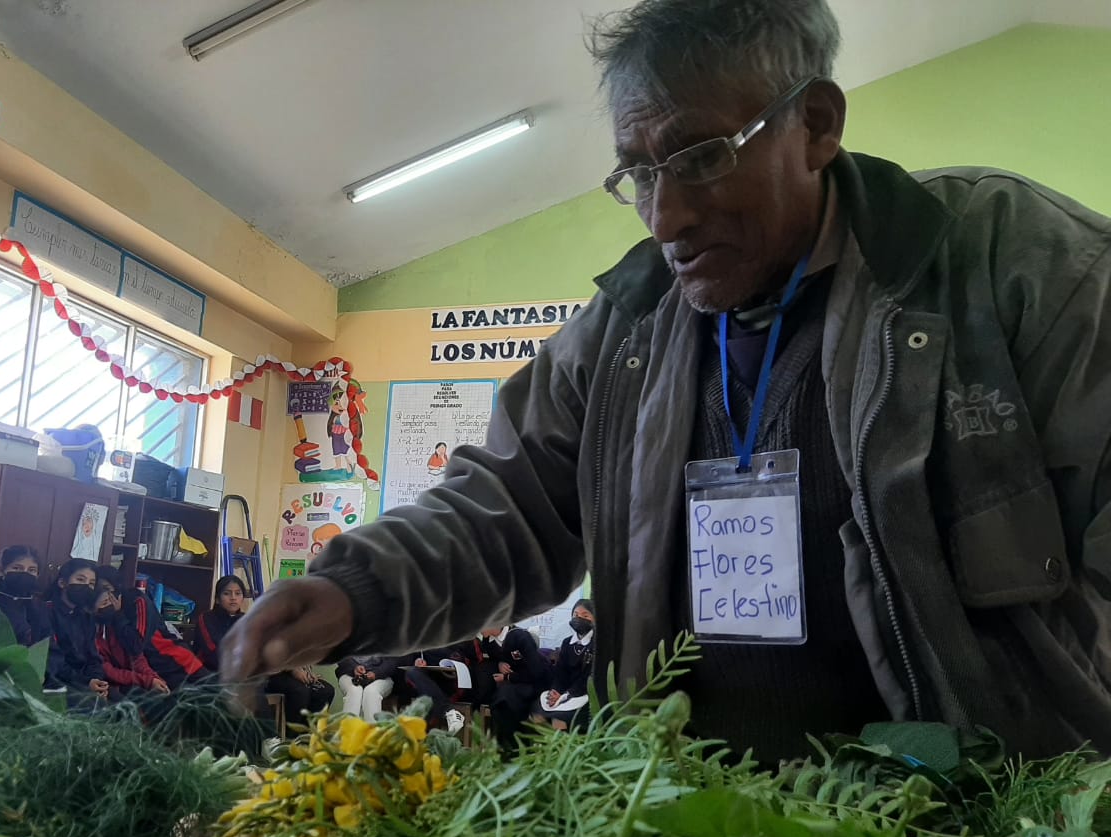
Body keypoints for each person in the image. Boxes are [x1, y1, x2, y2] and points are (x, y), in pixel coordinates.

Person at [225, 0, 1111, 762]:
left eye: (702, 157)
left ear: (817, 126)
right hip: (691, 836)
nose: (666, 214)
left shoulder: (1014, 267)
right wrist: (356, 589)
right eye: (637, 172)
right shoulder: (627, 328)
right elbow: (505, 504)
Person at [122, 577, 207, 690]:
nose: (107, 596)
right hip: (157, 669)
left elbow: (137, 646)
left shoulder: (136, 600)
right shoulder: (111, 618)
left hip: (175, 659)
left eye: (107, 589)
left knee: (217, 694)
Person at [93, 580, 170, 700]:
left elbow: (137, 658)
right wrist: (147, 681)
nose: (109, 606)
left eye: (110, 601)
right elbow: (109, 671)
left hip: (131, 680)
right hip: (109, 683)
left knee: (165, 698)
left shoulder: (116, 627)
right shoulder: (92, 635)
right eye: (104, 603)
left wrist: (154, 678)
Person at [45, 558, 108, 703]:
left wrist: (96, 680)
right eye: (80, 579)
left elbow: (94, 656)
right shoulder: (46, 612)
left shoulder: (86, 617)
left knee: (124, 706)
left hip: (85, 682)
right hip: (58, 683)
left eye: (91, 583)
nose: (86, 586)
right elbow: (54, 662)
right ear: (63, 583)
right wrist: (85, 683)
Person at [535, 600, 597, 732]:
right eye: (575, 615)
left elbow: (588, 678)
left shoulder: (596, 644)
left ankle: (561, 751)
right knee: (537, 715)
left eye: (585, 616)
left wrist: (565, 696)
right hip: (563, 694)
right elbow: (560, 673)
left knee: (559, 720)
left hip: (584, 695)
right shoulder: (567, 642)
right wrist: (555, 691)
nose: (579, 618)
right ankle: (541, 749)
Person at [490, 625, 554, 749]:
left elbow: (536, 673)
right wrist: (500, 663)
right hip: (516, 687)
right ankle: (507, 747)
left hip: (538, 687)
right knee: (501, 701)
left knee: (506, 700)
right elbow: (500, 658)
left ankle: (518, 747)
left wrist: (508, 677)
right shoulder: (494, 642)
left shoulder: (521, 639)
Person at [0, 545, 51, 647]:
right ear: (0, 570)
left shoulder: (39, 606)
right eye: (17, 568)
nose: (25, 573)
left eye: (31, 570)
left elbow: (48, 644)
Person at [196, 576, 246, 673]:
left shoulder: (246, 620)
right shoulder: (206, 618)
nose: (233, 598)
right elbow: (212, 652)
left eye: (238, 593)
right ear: (218, 599)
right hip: (207, 673)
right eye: (227, 593)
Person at [335, 655, 401, 721]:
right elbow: (341, 656)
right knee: (354, 691)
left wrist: (376, 673)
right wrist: (354, 668)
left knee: (371, 692)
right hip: (349, 673)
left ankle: (371, 729)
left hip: (382, 676)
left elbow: (393, 661)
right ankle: (349, 729)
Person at [265, 666, 335, 721]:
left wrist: (308, 673)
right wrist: (293, 669)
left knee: (325, 691)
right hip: (267, 675)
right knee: (299, 692)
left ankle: (308, 735)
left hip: (289, 672)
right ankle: (289, 736)